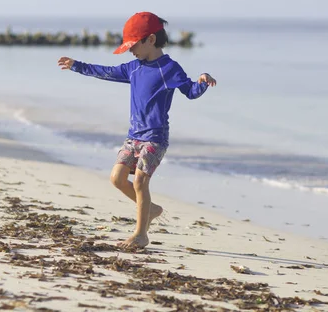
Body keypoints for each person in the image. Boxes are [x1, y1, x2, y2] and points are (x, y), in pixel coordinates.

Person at [57, 12, 216, 249]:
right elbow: (106, 72)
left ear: (150, 40)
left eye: (133, 45)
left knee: (141, 182)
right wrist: (77, 66)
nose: (131, 51)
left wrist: (202, 81)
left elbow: (190, 91)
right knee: (117, 178)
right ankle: (150, 209)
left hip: (155, 137)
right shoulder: (133, 68)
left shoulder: (169, 69)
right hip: (134, 136)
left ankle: (141, 234)